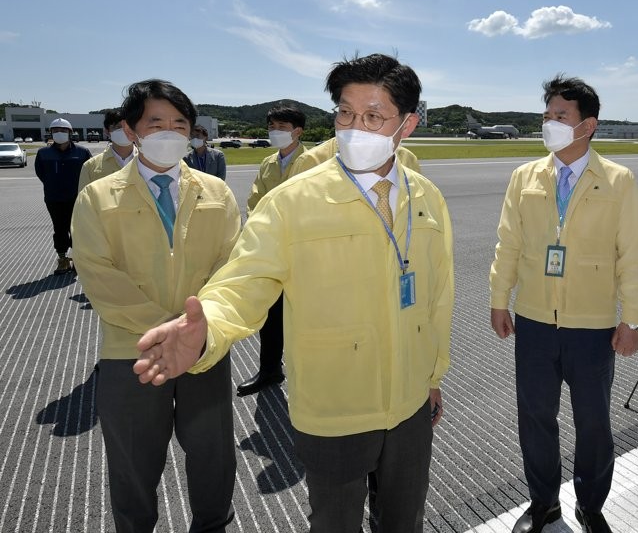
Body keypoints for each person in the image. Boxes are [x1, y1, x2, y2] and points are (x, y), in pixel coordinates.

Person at [133, 54, 453, 533]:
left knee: (404, 520)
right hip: (334, 407)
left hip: (409, 404)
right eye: (345, 113)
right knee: (334, 522)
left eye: (373, 116)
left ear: (406, 125)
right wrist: (207, 332)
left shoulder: (426, 196)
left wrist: (432, 376)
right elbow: (242, 282)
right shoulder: (293, 200)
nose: (354, 127)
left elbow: (437, 296)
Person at [71, 79, 240, 532]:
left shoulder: (216, 192)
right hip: (132, 351)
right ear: (131, 129)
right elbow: (97, 273)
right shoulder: (97, 195)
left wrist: (199, 330)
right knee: (132, 461)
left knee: (213, 455)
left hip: (204, 351)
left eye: (180, 124)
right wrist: (168, 328)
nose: (170, 131)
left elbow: (233, 267)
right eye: (157, 122)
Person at [490, 74, 638, 533]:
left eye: (560, 116)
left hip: (593, 326)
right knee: (536, 418)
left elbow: (632, 256)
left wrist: (632, 319)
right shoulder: (525, 177)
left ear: (588, 125)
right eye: (546, 116)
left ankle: (591, 505)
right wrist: (500, 300)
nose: (550, 123)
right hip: (536, 321)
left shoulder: (618, 180)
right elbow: (508, 246)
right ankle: (544, 503)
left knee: (594, 423)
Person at [236, 105, 307, 397]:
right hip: (272, 251)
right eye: (271, 127)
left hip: (303, 253)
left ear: (298, 131)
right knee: (271, 315)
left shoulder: (315, 161)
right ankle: (270, 369)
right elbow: (256, 201)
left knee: (305, 318)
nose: (274, 132)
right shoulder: (268, 163)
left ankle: (309, 377)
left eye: (281, 126)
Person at [35, 117, 91, 274]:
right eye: (56, 131)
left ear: (70, 133)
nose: (59, 133)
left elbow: (88, 173)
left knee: (77, 230)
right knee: (59, 229)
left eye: (63, 130)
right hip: (54, 199)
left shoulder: (82, 152)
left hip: (77, 198)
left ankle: (78, 260)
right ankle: (63, 259)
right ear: (51, 133)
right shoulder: (43, 153)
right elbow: (41, 174)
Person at [291, 133, 422, 176]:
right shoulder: (310, 161)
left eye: (373, 115)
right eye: (346, 112)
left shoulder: (407, 158)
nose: (358, 123)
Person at [78, 108, 137, 191]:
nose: (124, 131)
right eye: (117, 127)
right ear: (107, 131)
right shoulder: (90, 167)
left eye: (128, 126)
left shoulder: (149, 162)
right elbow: (84, 201)